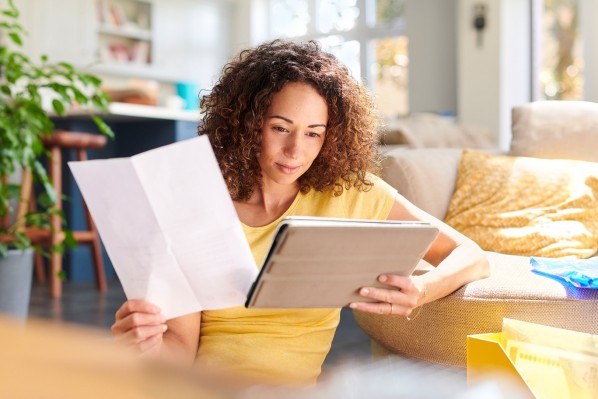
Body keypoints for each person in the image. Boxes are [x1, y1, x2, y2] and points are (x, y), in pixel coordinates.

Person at [111, 39, 489, 386]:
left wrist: (422, 290)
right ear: (247, 124)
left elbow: (471, 255)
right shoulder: (197, 203)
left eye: (313, 133)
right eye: (280, 128)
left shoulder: (351, 194)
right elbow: (179, 351)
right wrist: (145, 345)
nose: (295, 150)